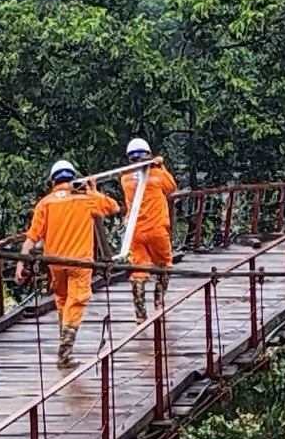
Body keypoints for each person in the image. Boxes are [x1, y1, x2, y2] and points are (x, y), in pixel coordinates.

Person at [15, 159, 121, 367]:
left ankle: (64, 347)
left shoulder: (45, 203)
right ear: (74, 178)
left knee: (63, 299)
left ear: (53, 180)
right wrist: (94, 190)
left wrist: (21, 264)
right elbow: (114, 207)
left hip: (54, 262)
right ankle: (64, 353)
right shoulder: (86, 198)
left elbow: (32, 238)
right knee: (77, 300)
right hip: (80, 262)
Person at [118, 137, 178, 322]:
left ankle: (140, 314)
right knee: (164, 265)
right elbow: (172, 188)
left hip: (135, 231)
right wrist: (161, 166)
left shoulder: (125, 179)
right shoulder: (157, 175)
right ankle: (159, 305)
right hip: (156, 228)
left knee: (138, 271)